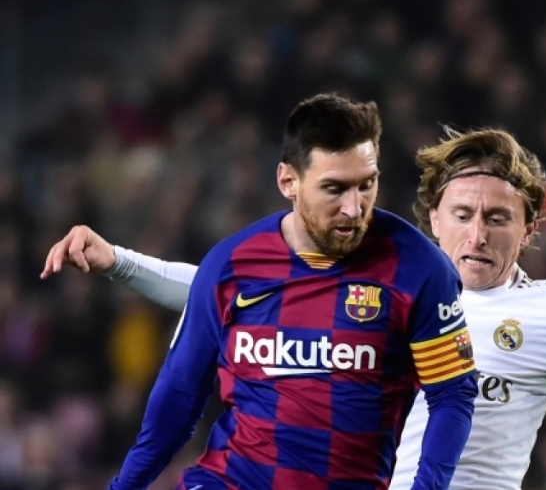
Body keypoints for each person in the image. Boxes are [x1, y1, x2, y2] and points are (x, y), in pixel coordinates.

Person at [44, 127, 546, 490]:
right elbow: (215, 285)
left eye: (498, 217)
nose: (477, 233)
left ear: (530, 227)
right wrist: (118, 262)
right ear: (432, 215)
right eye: (462, 214)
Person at [45, 94, 478, 490]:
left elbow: (453, 393)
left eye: (367, 184)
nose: (354, 206)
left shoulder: (418, 270)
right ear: (288, 181)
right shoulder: (232, 264)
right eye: (335, 188)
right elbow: (180, 391)